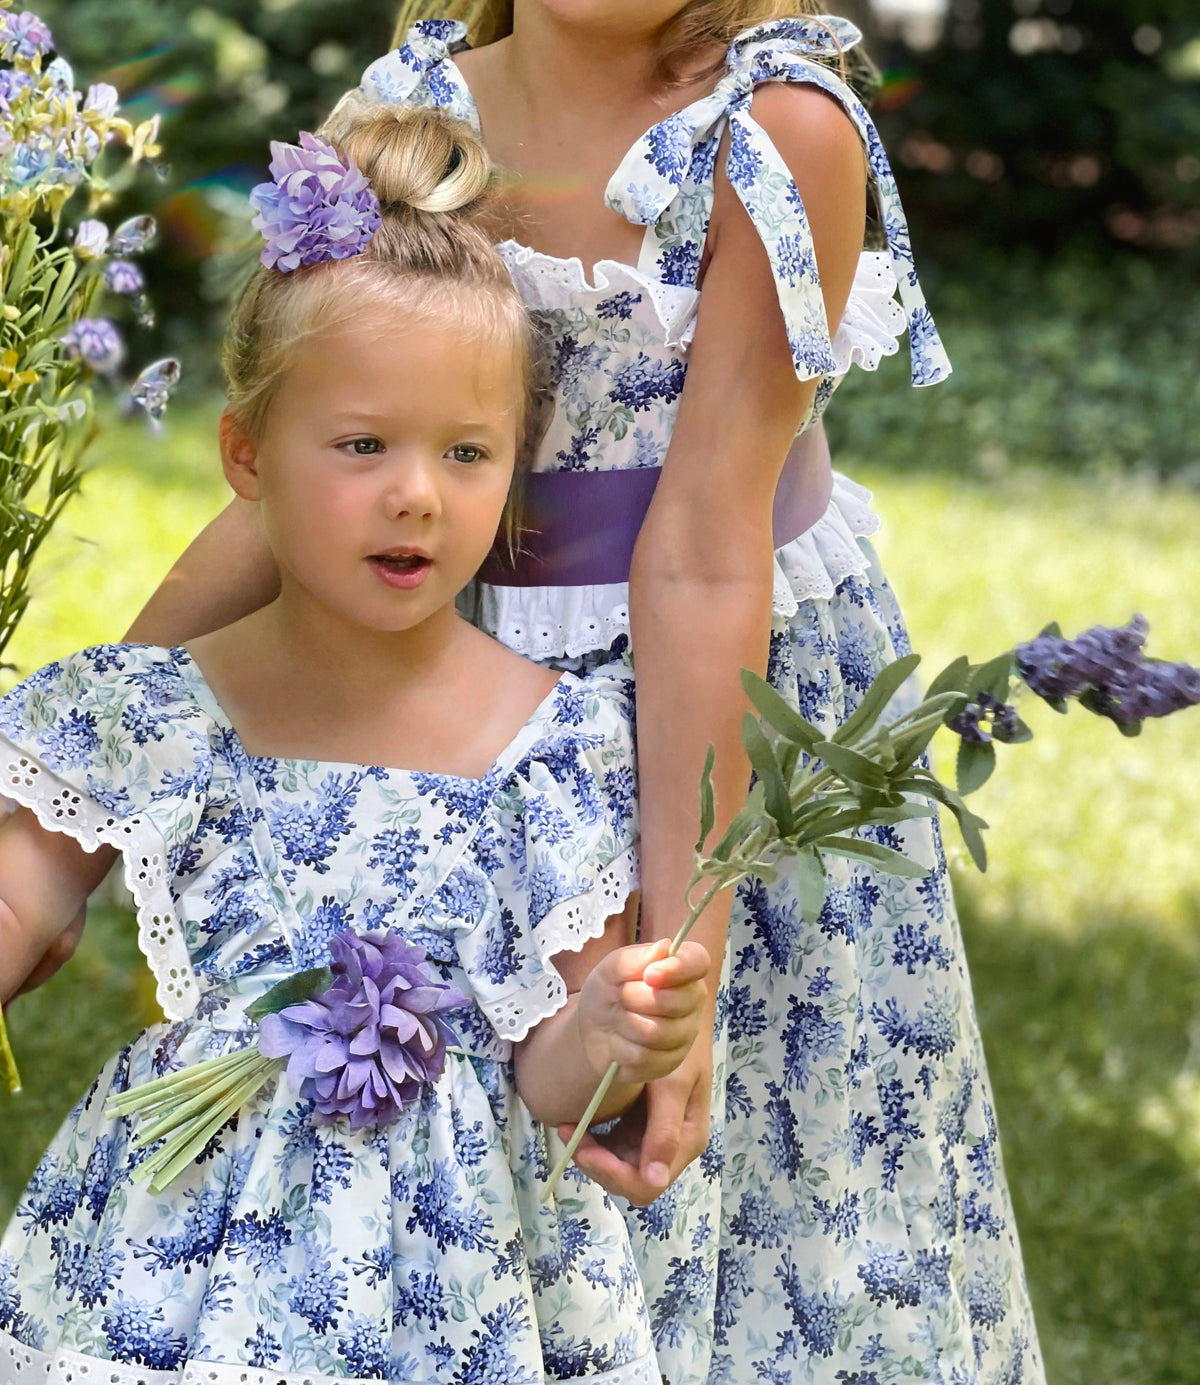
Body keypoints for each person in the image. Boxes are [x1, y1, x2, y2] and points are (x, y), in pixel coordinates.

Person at [38, 5, 1046, 1384]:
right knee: (442, 1138)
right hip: (440, 681)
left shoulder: (773, 130)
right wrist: (56, 776)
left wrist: (690, 925)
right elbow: (295, 471)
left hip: (710, 712)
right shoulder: (410, 107)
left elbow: (701, 551)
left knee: (716, 1172)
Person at [0, 102, 711, 1384]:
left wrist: (609, 1030)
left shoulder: (554, 754)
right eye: (363, 444)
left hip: (452, 1297)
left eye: (466, 451)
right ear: (247, 455)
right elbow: (20, 894)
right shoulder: (157, 713)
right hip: (180, 1268)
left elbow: (550, 1089)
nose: (417, 493)